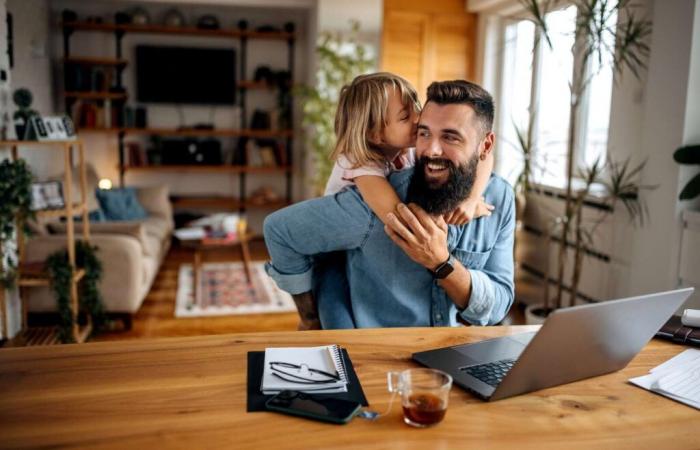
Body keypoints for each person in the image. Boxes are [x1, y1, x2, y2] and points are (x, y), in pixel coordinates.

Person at [264, 80, 515, 328]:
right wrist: (308, 317)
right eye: (424, 132)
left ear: (485, 144)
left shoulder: (498, 197)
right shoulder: (372, 185)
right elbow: (280, 230)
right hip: (372, 342)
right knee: (332, 304)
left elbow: (498, 306)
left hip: (457, 354)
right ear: (376, 134)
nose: (431, 149)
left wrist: (469, 200)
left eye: (450, 137)